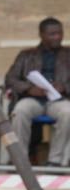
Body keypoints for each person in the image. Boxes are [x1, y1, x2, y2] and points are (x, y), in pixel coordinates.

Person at [7, 17, 70, 166]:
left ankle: (55, 160)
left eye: (60, 33)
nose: (58, 37)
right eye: (52, 34)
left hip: (58, 100)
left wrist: (65, 87)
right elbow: (10, 79)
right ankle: (20, 160)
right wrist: (29, 88)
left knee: (68, 113)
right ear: (41, 34)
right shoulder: (26, 55)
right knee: (20, 111)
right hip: (33, 99)